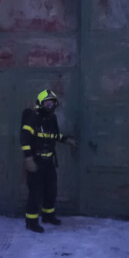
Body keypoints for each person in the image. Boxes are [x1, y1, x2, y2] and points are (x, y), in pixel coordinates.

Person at [20, 89, 77, 233]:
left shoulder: (52, 119)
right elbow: (24, 138)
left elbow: (53, 135)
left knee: (51, 190)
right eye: (47, 103)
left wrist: (66, 140)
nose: (50, 106)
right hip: (36, 161)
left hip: (49, 161)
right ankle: (31, 222)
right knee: (35, 192)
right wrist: (28, 158)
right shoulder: (33, 118)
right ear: (40, 103)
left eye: (52, 103)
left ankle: (48, 216)